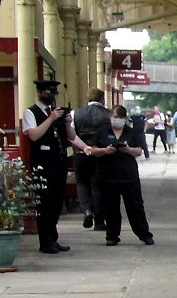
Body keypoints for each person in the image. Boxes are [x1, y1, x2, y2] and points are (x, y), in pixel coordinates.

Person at [21, 78, 90, 253]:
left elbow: (71, 136)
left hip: (59, 163)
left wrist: (69, 127)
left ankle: (53, 238)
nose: (51, 96)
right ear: (39, 92)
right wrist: (51, 119)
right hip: (42, 164)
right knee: (45, 203)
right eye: (48, 92)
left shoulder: (57, 112)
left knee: (57, 202)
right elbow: (34, 136)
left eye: (54, 92)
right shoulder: (31, 112)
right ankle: (45, 242)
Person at [92, 105, 154, 246]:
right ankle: (112, 236)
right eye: (115, 117)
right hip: (107, 176)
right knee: (111, 207)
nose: (118, 120)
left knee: (135, 206)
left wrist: (127, 149)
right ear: (110, 117)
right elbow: (93, 150)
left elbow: (139, 151)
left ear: (125, 119)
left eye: (120, 118)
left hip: (128, 175)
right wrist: (105, 150)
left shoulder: (132, 132)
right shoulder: (101, 132)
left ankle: (144, 234)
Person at [72, 88, 112, 228]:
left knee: (82, 183)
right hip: (101, 154)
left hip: (81, 154)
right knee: (98, 186)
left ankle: (87, 210)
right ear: (102, 99)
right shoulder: (108, 115)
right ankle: (100, 221)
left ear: (88, 99)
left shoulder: (76, 114)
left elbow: (71, 134)